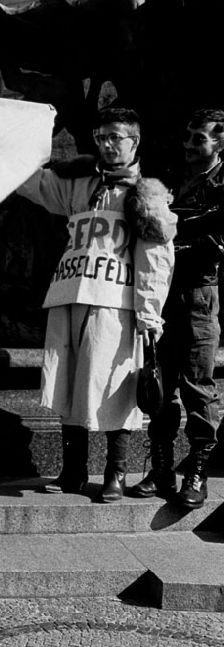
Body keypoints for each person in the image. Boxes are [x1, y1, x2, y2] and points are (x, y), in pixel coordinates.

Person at [18, 108, 176, 502]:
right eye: (101, 137)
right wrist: (7, 151)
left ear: (134, 142)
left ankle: (115, 474)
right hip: (70, 294)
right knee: (68, 384)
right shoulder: (79, 184)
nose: (106, 145)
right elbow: (33, 184)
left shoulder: (147, 195)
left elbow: (155, 258)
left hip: (115, 304)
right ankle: (72, 472)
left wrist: (148, 311)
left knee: (114, 388)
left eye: (116, 137)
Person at [129, 109, 224, 509]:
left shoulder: (221, 184)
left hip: (199, 294)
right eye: (187, 136)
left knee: (198, 386)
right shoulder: (171, 178)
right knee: (159, 383)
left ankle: (197, 472)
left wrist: (176, 236)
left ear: (220, 142)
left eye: (198, 138)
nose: (188, 144)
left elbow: (212, 241)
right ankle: (162, 469)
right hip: (161, 292)